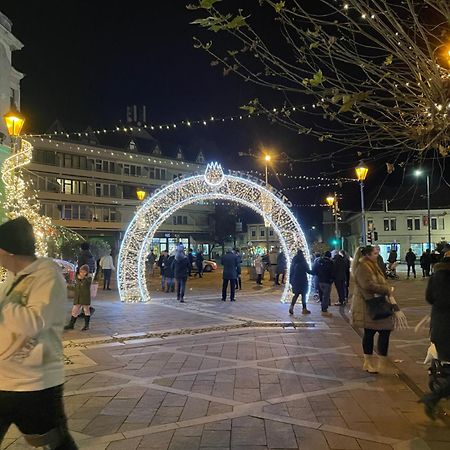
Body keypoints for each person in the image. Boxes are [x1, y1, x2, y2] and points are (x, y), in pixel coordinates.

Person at [0, 216, 77, 449]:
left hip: (35, 386)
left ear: (8, 251)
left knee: (56, 445)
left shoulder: (48, 276)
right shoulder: (13, 277)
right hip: (4, 379)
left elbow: (35, 322)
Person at [351, 245, 405, 374]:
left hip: (377, 302)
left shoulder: (372, 265)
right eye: (375, 253)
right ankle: (369, 362)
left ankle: (381, 362)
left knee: (383, 331)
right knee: (370, 333)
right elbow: (367, 285)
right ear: (367, 255)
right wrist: (386, 290)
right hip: (369, 305)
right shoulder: (363, 267)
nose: (377, 255)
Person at [420, 251, 450, 419]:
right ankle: (433, 397)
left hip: (440, 328)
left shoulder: (436, 276)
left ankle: (435, 396)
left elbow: (429, 298)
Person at [64, 264, 92, 331]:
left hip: (85, 297)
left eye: (84, 272)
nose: (82, 273)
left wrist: (82, 278)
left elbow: (85, 284)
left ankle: (86, 325)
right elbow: (76, 288)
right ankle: (71, 325)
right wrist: (67, 286)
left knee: (86, 310)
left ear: (87, 272)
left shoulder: (88, 279)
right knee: (74, 311)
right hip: (78, 297)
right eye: (81, 271)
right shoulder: (77, 278)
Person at [289, 249, 311, 315]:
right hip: (303, 280)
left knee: (296, 294)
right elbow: (308, 271)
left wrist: (291, 281)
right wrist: (315, 272)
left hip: (295, 280)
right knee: (303, 295)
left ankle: (291, 307)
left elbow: (291, 272)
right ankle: (304, 309)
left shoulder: (293, 262)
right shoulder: (303, 262)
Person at [312, 250, 334, 316]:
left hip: (320, 280)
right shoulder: (330, 262)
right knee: (326, 296)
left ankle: (323, 306)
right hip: (327, 281)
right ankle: (324, 309)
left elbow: (314, 270)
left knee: (321, 294)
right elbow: (333, 272)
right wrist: (332, 279)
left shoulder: (319, 261)